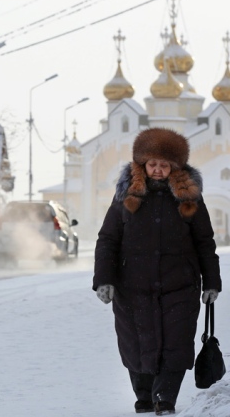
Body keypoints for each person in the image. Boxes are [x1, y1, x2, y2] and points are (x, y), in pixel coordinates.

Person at [92, 127, 222, 416]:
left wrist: (211, 282)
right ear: (142, 164)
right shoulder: (126, 197)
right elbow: (108, 239)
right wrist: (104, 280)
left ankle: (165, 398)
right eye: (153, 164)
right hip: (132, 286)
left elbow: (204, 241)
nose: (158, 170)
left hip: (180, 285)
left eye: (165, 165)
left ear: (175, 166)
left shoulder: (190, 198)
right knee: (136, 343)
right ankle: (144, 395)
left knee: (176, 342)